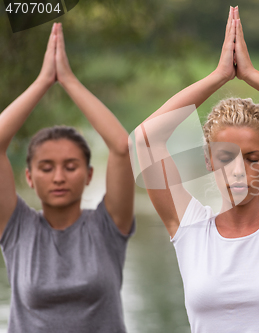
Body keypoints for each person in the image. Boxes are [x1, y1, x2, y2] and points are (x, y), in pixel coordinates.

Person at [133, 6, 259, 333]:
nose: (238, 171)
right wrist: (218, 77)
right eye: (225, 158)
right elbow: (144, 139)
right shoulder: (189, 229)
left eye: (252, 158)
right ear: (208, 161)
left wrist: (252, 75)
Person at [0, 23, 135, 333]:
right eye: (46, 168)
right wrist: (43, 81)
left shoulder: (108, 226)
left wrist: (69, 80)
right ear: (29, 177)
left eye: (70, 166)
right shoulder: (17, 228)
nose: (59, 177)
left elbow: (121, 147)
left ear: (89, 175)